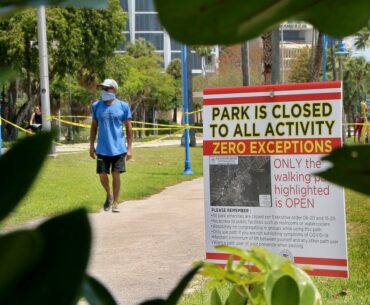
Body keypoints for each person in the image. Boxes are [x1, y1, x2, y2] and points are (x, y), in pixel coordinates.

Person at [89, 79, 133, 213]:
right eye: (102, 88)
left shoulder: (123, 106)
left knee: (116, 174)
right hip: (102, 148)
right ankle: (109, 194)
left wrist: (129, 148)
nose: (103, 91)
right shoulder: (96, 106)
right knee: (102, 174)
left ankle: (115, 202)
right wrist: (91, 145)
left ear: (114, 89)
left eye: (106, 88)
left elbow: (129, 128)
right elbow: (94, 126)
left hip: (119, 148)